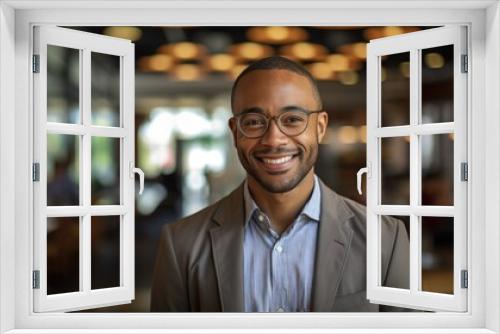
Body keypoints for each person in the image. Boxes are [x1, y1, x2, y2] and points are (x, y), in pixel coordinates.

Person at [150, 56, 409, 312]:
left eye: (293, 120)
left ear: (320, 127)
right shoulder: (181, 244)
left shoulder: (385, 239)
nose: (274, 140)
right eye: (253, 122)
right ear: (235, 132)